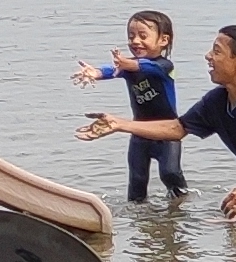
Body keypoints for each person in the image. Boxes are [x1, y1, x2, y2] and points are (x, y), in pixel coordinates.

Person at [82, 23, 236, 220]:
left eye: (217, 51)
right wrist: (120, 124)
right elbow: (177, 128)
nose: (208, 56)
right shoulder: (216, 101)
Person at [71, 10, 188, 201]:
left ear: (163, 40)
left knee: (170, 173)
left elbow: (146, 67)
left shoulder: (165, 67)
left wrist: (127, 64)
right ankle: (137, 217)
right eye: (131, 36)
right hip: (139, 133)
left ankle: (178, 209)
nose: (135, 41)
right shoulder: (126, 67)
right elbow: (111, 71)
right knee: (137, 179)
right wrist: (96, 72)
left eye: (143, 36)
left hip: (167, 133)